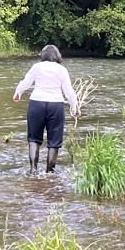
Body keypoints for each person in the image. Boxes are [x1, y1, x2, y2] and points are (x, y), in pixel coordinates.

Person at [12, 44, 81, 172]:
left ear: (43, 55)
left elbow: (26, 82)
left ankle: (33, 169)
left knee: (33, 139)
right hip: (55, 105)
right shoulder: (62, 69)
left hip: (36, 103)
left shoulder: (36, 67)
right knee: (54, 141)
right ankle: (50, 172)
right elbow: (68, 91)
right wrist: (75, 106)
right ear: (57, 56)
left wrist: (18, 93)